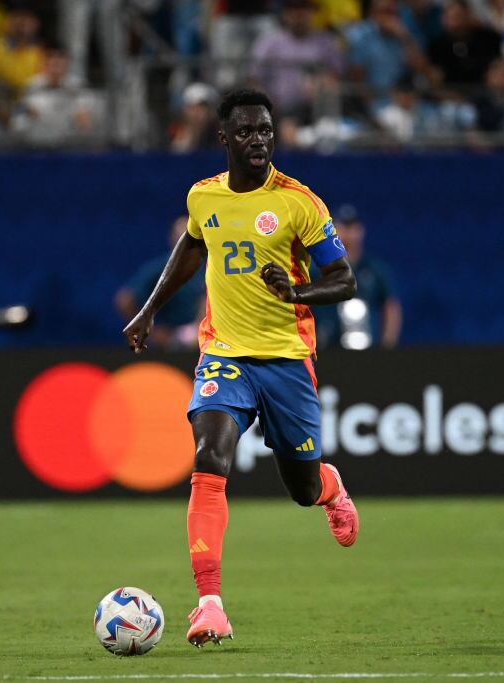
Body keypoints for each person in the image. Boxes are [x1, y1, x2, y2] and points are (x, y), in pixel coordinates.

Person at [122, 88, 360, 648]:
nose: (260, 140)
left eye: (266, 131)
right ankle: (210, 606)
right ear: (225, 138)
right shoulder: (203, 197)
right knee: (209, 455)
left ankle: (330, 488)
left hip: (286, 360)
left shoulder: (300, 203)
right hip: (224, 352)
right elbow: (190, 249)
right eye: (248, 131)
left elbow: (344, 280)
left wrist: (297, 289)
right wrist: (149, 309)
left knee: (300, 488)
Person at [311, 206, 402, 349]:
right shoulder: (317, 269)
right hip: (326, 348)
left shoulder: (375, 269)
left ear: (361, 231)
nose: (348, 234)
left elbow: (390, 306)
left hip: (368, 351)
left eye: (352, 227)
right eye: (342, 227)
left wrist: (387, 344)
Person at [114, 216, 205, 350]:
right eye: (181, 237)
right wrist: (152, 333)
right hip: (172, 345)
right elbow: (125, 299)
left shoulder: (210, 266)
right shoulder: (161, 268)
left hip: (206, 341)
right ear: (172, 238)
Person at [249, 0, 343, 118]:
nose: (298, 13)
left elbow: (336, 77)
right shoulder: (268, 43)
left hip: (316, 113)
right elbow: (254, 81)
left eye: (303, 7)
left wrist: (321, 83)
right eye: (292, 7)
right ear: (284, 12)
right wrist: (268, 106)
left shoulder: (326, 41)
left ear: (312, 11)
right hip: (275, 113)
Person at [11, 44, 106, 145]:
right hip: (37, 145)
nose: (56, 68)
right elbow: (19, 121)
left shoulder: (78, 87)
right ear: (44, 65)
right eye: (52, 62)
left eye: (59, 63)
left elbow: (87, 122)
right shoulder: (32, 87)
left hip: (68, 146)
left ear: (67, 64)